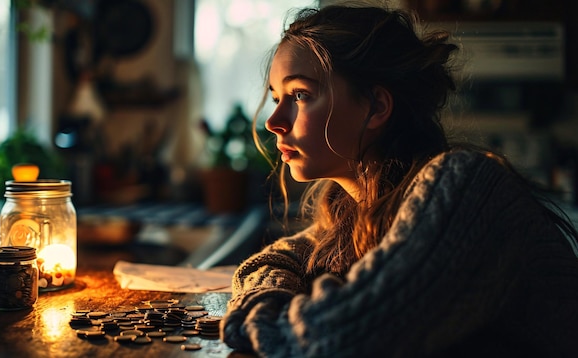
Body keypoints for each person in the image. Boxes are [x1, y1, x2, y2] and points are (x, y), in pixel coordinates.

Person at [219, 2, 578, 357]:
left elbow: (336, 337)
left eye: (300, 95)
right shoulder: (352, 206)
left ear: (376, 106)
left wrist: (259, 313)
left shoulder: (468, 188)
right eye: (277, 97)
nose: (274, 121)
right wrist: (268, 298)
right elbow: (280, 259)